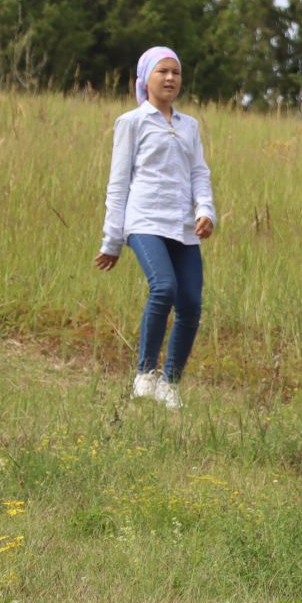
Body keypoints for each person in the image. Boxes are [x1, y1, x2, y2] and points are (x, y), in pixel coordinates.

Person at [95, 47, 216, 410]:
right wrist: (112, 240)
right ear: (144, 79)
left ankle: (170, 383)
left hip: (182, 226)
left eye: (176, 72)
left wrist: (206, 210)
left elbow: (199, 173)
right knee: (164, 287)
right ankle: (144, 375)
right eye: (162, 71)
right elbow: (118, 184)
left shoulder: (189, 126)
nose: (170, 78)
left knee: (191, 303)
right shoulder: (131, 122)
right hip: (144, 221)